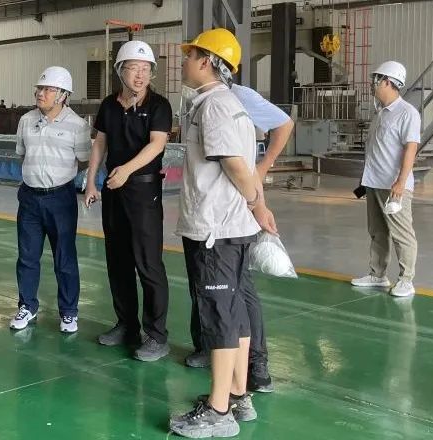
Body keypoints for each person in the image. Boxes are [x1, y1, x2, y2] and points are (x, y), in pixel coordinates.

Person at [169, 28, 277, 438]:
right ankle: (237, 395)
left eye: (190, 54)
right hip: (230, 227)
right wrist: (255, 205)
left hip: (216, 230)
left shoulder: (214, 105)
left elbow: (234, 165)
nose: (184, 61)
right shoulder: (228, 103)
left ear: (207, 62)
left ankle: (218, 411)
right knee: (233, 312)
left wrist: (256, 202)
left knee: (218, 315)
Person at [185, 83, 294, 394]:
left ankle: (255, 364)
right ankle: (212, 347)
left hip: (234, 210)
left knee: (238, 287)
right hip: (209, 211)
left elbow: (283, 124)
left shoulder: (236, 96)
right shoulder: (197, 99)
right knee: (208, 284)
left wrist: (262, 170)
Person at [84, 40, 172, 362]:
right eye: (134, 68)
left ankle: (156, 335)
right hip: (113, 190)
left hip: (143, 191)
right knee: (117, 260)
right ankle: (126, 325)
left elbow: (157, 145)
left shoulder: (159, 105)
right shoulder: (109, 105)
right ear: (121, 70)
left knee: (148, 263)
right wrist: (91, 181)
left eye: (146, 69)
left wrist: (126, 170)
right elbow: (100, 143)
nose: (140, 75)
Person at [9, 66, 91, 334]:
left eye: (47, 89)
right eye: (39, 88)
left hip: (61, 199)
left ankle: (69, 312)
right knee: (27, 257)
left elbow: (84, 160)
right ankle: (27, 306)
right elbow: (23, 154)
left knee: (64, 258)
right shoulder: (26, 120)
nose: (40, 93)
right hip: (29, 198)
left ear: (63, 95)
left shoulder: (77, 125)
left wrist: (59, 175)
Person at [351, 61, 420, 298]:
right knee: (377, 232)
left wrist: (400, 182)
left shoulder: (407, 113)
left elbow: (411, 149)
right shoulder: (380, 113)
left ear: (389, 82)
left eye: (377, 80)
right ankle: (378, 275)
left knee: (402, 234)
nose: (373, 85)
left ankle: (406, 280)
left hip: (393, 187)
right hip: (374, 183)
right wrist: (365, 183)